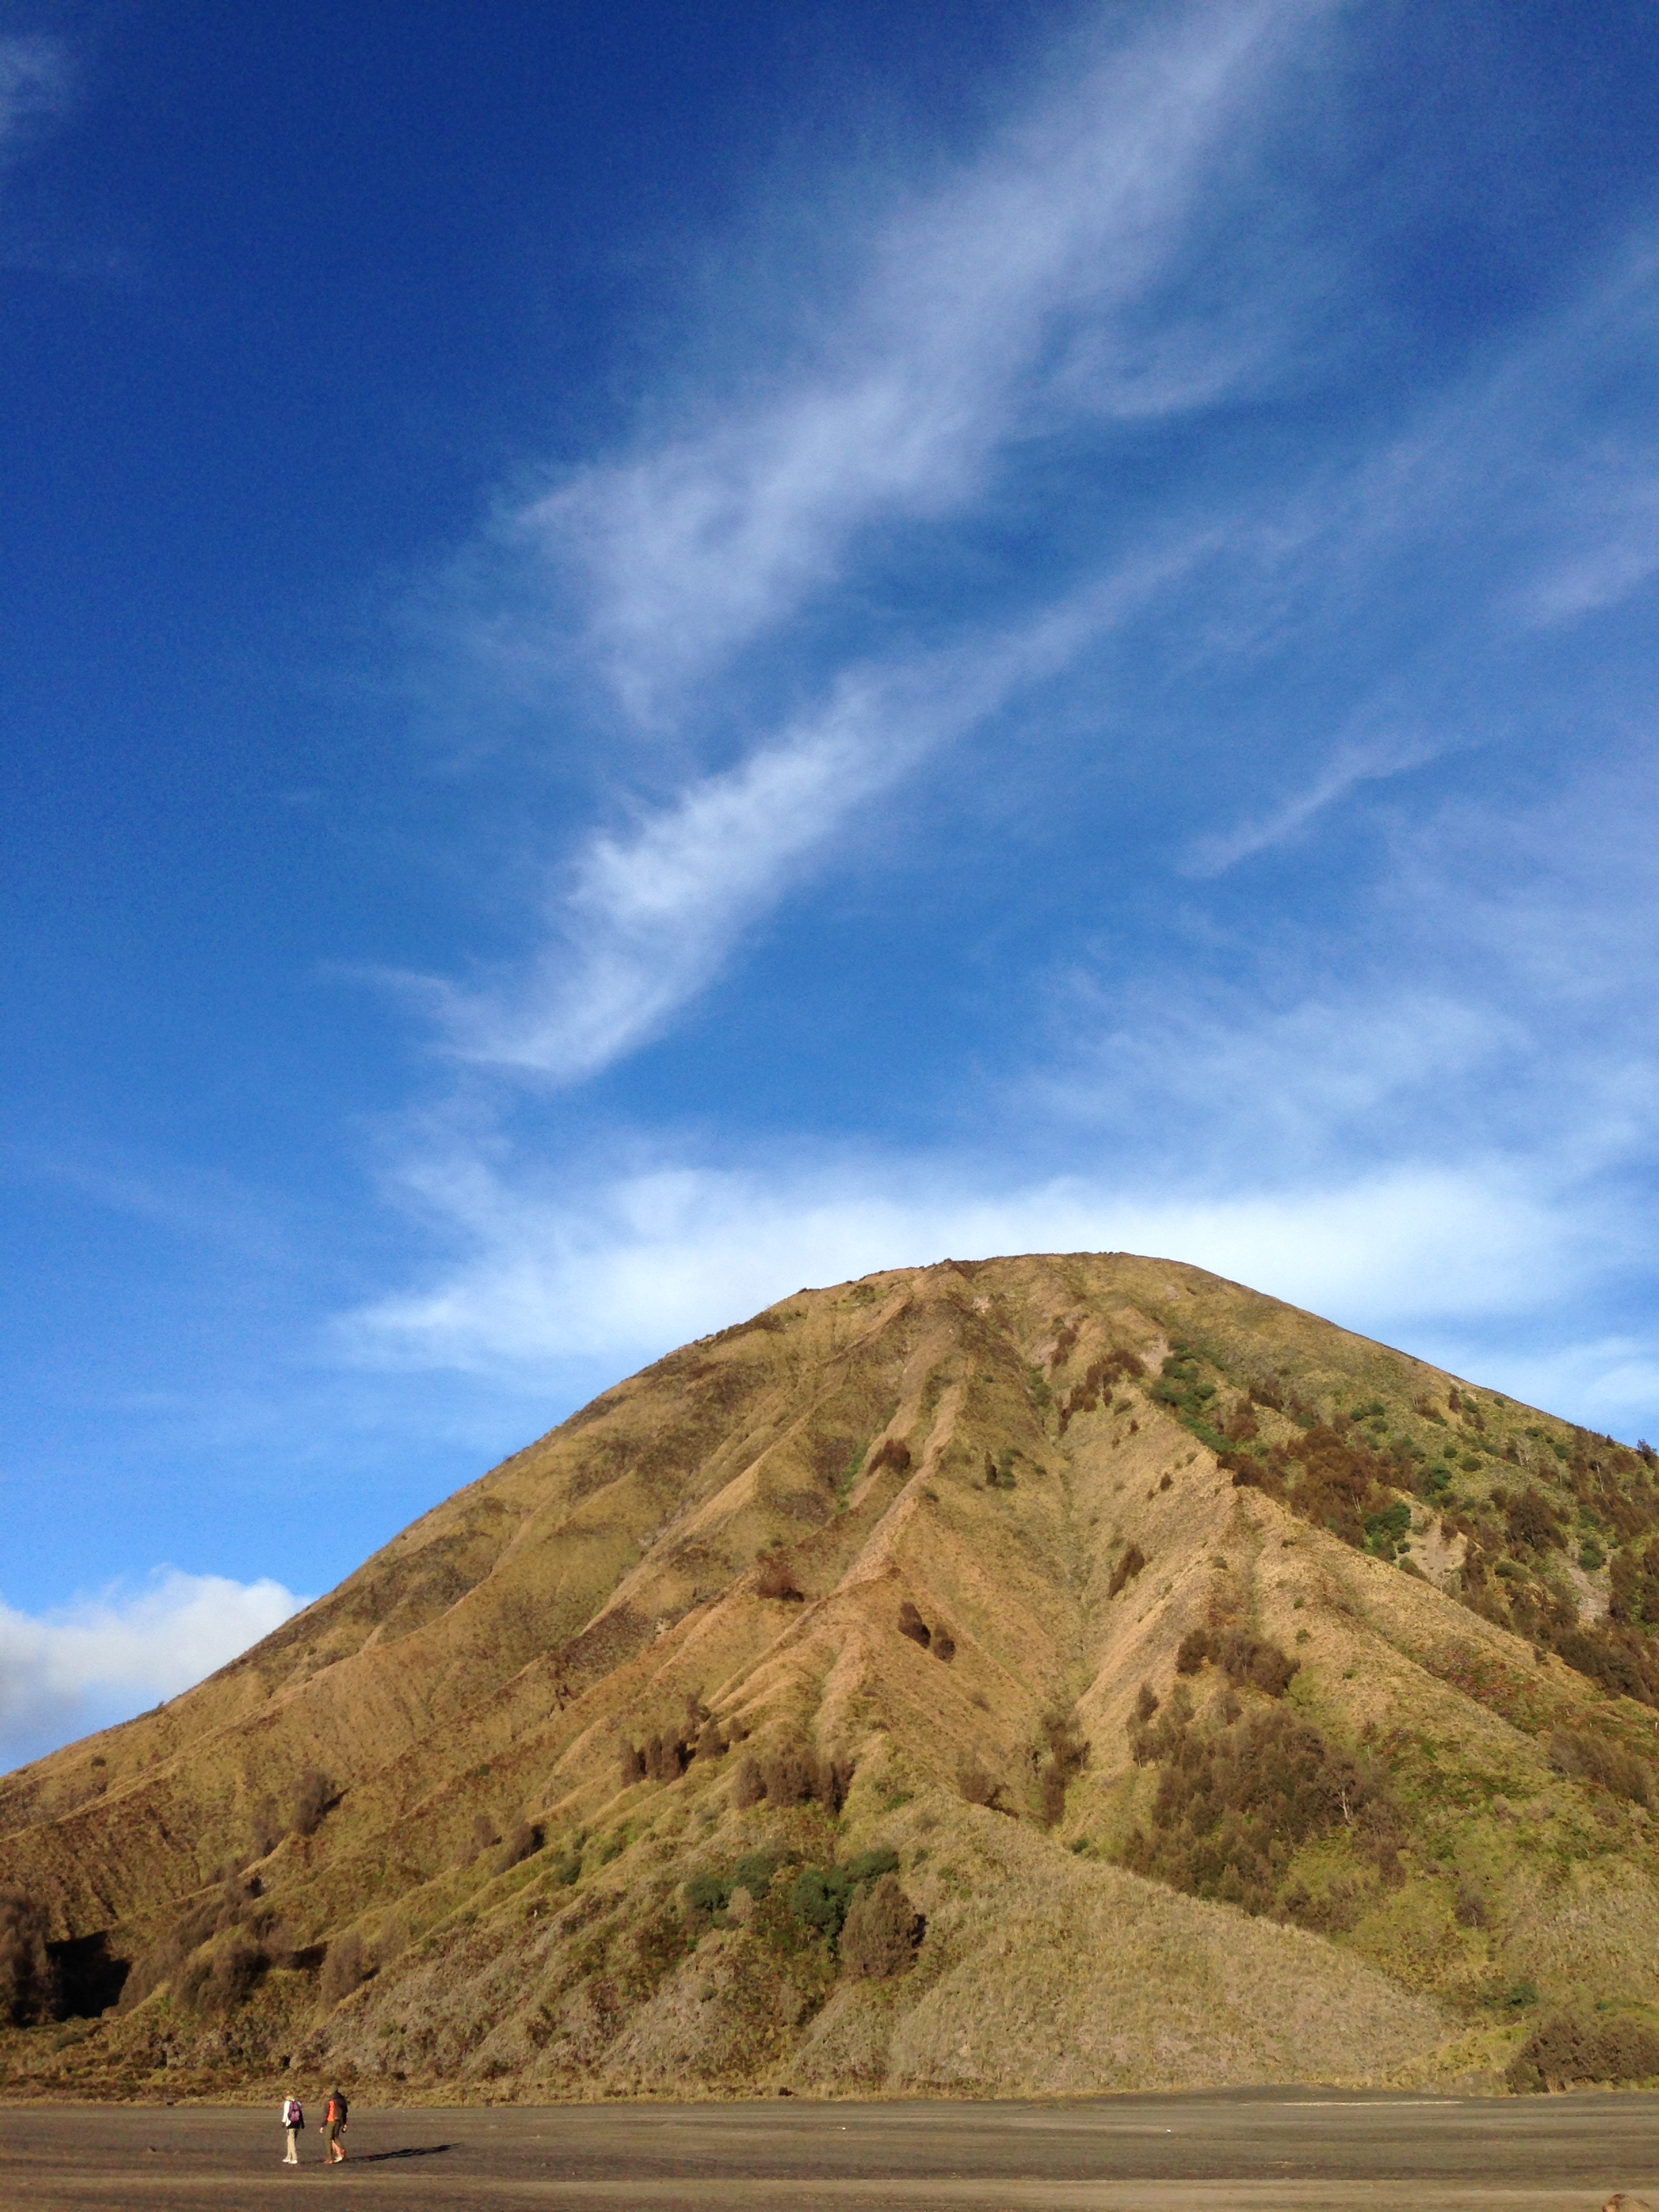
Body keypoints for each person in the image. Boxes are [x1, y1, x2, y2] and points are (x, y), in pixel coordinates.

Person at [321, 2087, 349, 2163]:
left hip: (332, 2120)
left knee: (328, 2139)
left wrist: (323, 2124)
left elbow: (328, 2113)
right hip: (340, 2120)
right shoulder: (342, 2100)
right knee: (335, 2136)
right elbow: (345, 2112)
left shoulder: (331, 2101)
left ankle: (330, 2158)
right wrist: (344, 2123)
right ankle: (342, 2149)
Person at [281, 2093, 304, 2164]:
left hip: (290, 2124)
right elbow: (301, 2114)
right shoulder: (298, 2103)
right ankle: (288, 2157)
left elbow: (286, 2113)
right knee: (290, 2141)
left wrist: (283, 2122)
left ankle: (294, 2158)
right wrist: (302, 2124)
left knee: (291, 2141)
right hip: (297, 2124)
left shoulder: (287, 2103)